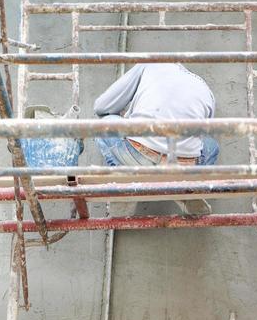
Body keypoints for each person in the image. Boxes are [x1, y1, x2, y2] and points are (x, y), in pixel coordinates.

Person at [93, 63, 220, 216]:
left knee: (104, 123)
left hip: (140, 156)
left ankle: (126, 186)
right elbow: (202, 135)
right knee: (211, 145)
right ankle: (185, 188)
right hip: (185, 167)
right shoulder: (205, 88)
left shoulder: (150, 65)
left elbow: (101, 107)